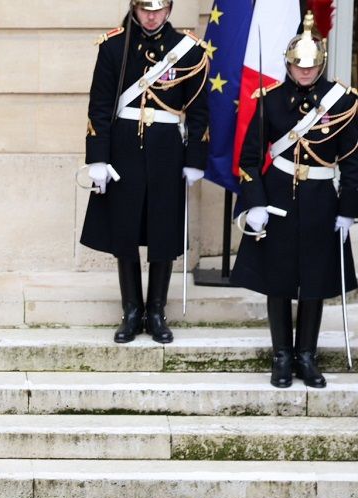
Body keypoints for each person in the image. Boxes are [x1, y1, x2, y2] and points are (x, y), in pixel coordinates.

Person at [232, 9, 358, 389]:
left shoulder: (342, 102)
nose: (305, 72)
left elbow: (352, 162)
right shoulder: (269, 100)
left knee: (314, 280)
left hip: (321, 199)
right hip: (278, 197)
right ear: (288, 64)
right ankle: (282, 356)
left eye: (311, 66)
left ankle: (306, 356)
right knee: (279, 279)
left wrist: (348, 210)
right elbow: (250, 158)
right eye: (298, 66)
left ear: (321, 64)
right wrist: (254, 202)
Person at [80, 0, 209, 344]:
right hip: (123, 146)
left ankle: (156, 312)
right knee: (124, 229)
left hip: (167, 148)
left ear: (169, 10)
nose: (152, 16)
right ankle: (131, 311)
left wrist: (195, 158)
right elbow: (100, 105)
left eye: (158, 9)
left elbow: (198, 111)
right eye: (145, 9)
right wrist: (98, 157)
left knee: (164, 230)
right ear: (135, 9)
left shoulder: (189, 50)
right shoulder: (114, 46)